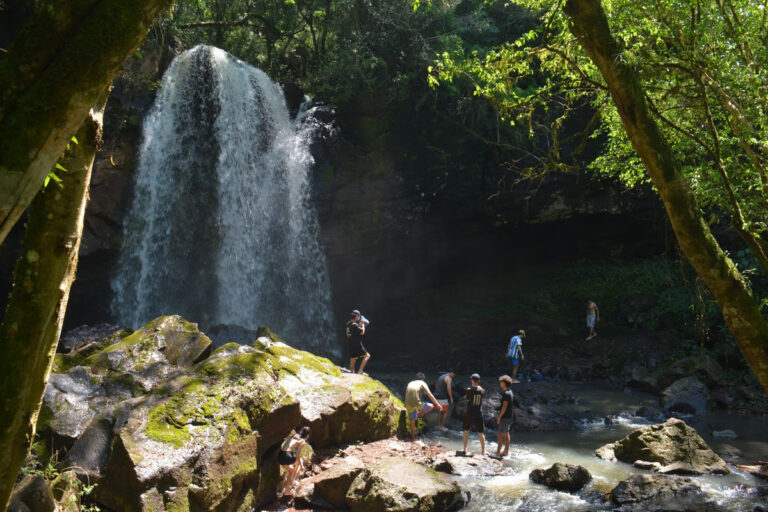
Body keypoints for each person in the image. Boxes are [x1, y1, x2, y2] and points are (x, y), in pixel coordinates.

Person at [405, 372, 442, 441]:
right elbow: (430, 395)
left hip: (408, 404)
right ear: (423, 379)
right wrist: (437, 404)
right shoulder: (422, 383)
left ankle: (413, 439)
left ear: (416, 378)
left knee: (412, 423)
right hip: (417, 404)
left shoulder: (410, 383)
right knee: (431, 406)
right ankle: (421, 413)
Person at [276, 426, 312, 497]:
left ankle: (291, 481)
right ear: (308, 435)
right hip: (287, 457)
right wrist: (302, 466)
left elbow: (293, 451)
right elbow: (297, 455)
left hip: (280, 455)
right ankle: (287, 489)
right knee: (297, 464)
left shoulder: (294, 436)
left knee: (293, 468)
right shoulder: (302, 441)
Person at [461, 373, 486, 455]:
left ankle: (465, 449)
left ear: (472, 380)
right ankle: (483, 451)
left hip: (470, 412)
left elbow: (468, 399)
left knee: (466, 430)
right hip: (478, 412)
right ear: (478, 381)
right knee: (481, 432)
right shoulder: (482, 390)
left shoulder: (468, 390)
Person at [495, 375, 514, 458]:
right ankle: (506, 451)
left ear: (504, 383)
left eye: (501, 382)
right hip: (509, 416)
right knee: (506, 434)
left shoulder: (506, 394)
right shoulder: (510, 391)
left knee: (500, 434)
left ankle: (498, 453)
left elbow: (504, 407)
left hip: (505, 417)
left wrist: (499, 417)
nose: (500, 383)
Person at [346, 309, 370, 374]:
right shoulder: (354, 325)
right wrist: (362, 325)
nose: (359, 318)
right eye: (359, 316)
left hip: (350, 344)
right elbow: (362, 332)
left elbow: (354, 330)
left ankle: (352, 373)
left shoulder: (348, 324)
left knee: (353, 358)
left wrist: (359, 325)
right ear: (356, 316)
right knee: (367, 356)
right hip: (357, 344)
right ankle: (360, 371)